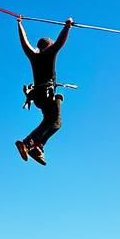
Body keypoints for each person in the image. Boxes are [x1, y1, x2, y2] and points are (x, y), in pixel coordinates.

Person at [16, 16, 73, 165]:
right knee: (56, 122)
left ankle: (37, 147)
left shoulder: (33, 56)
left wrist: (20, 24)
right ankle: (29, 143)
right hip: (46, 96)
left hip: (38, 98)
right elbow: (60, 42)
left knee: (51, 121)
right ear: (48, 46)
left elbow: (24, 42)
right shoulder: (49, 54)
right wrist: (67, 26)